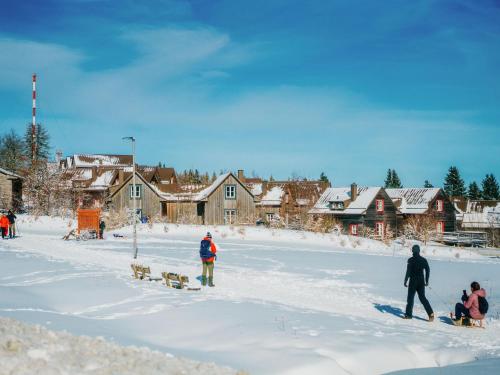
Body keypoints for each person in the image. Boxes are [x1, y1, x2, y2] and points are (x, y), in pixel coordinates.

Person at [403, 244, 434, 321]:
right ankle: (431, 314)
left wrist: (406, 280)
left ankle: (408, 315)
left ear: (412, 251)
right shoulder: (423, 260)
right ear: (419, 251)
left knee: (410, 298)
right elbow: (428, 270)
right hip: (421, 281)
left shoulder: (410, 260)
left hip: (413, 281)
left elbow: (408, 271)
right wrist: (427, 280)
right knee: (423, 298)